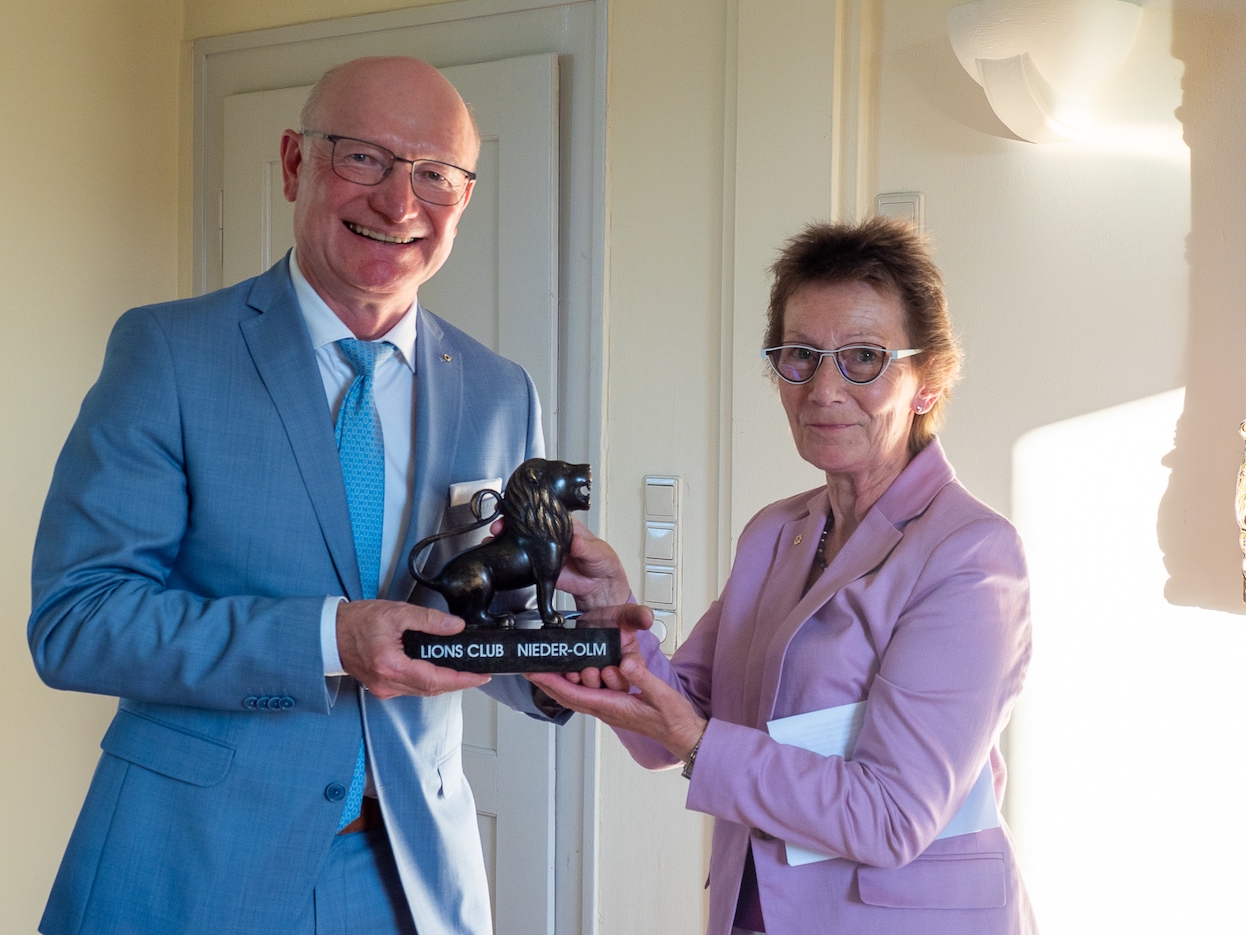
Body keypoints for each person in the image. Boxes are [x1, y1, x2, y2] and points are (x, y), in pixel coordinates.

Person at [28, 57, 568, 935]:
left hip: (409, 880)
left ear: (463, 199)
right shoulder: (167, 353)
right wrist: (329, 637)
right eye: (364, 158)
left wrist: (568, 663)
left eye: (434, 175)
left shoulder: (502, 392)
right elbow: (77, 622)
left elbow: (494, 625)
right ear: (293, 163)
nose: (399, 204)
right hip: (191, 870)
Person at [531, 218, 1038, 935]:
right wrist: (615, 612)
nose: (824, 388)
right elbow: (667, 728)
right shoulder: (777, 531)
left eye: (863, 357)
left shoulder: (972, 553)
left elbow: (891, 817)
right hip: (755, 912)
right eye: (801, 355)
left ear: (926, 381)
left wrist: (698, 741)